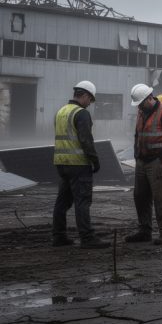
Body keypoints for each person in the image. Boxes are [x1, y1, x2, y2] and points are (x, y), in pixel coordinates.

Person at [52, 81, 111, 249]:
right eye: (90, 100)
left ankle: (59, 236)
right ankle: (87, 238)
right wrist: (95, 160)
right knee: (83, 201)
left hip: (61, 163)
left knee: (62, 202)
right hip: (78, 164)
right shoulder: (81, 113)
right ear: (84, 96)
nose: (90, 104)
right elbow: (86, 140)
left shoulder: (61, 112)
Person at [125, 83, 162, 245]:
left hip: (157, 161)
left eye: (141, 103)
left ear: (150, 98)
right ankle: (144, 230)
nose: (140, 106)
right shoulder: (141, 112)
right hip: (142, 160)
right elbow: (137, 134)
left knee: (161, 198)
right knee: (140, 196)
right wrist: (137, 154)